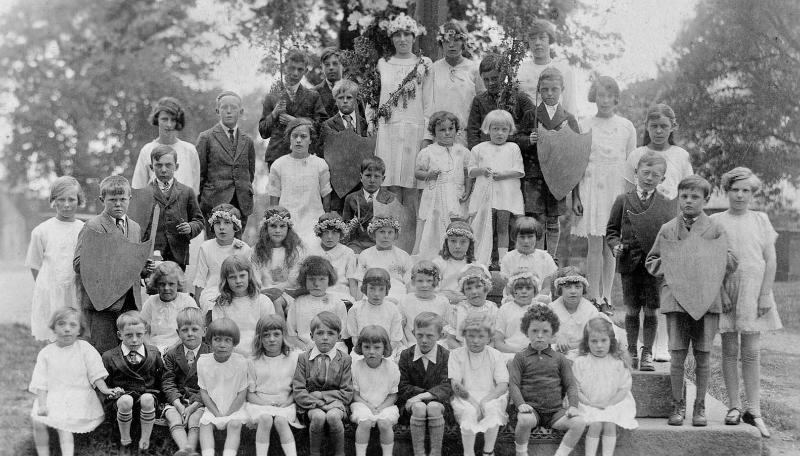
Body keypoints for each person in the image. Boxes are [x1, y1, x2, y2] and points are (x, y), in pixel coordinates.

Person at [646, 175, 738, 427]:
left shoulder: (715, 229)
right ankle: (677, 404)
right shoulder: (668, 228)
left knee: (703, 355)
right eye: (684, 196)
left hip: (707, 299)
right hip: (676, 298)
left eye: (695, 197)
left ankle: (700, 406)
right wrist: (676, 263)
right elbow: (652, 261)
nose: (688, 201)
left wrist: (708, 255)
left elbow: (731, 261)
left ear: (706, 200)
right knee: (677, 355)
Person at [711, 167, 783, 438]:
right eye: (734, 190)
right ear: (726, 191)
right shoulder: (716, 220)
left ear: (753, 194)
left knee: (751, 351)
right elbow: (713, 259)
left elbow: (771, 259)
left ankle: (754, 410)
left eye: (745, 191)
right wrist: (720, 292)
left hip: (755, 289)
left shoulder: (761, 219)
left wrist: (765, 293)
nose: (739, 195)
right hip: (727, 289)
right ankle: (734, 406)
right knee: (729, 349)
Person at [626, 103, 693, 363]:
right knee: (641, 292)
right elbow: (628, 195)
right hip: (640, 231)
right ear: (646, 127)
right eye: (653, 126)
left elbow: (688, 189)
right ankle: (642, 345)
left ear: (673, 127)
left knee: (666, 285)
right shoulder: (637, 154)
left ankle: (662, 344)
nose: (658, 131)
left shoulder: (680, 154)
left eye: (664, 126)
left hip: (670, 226)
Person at [572, 76, 637, 314]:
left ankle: (607, 297)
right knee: (594, 245)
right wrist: (576, 197)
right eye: (601, 95)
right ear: (594, 97)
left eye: (610, 96)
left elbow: (631, 165)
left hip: (616, 187)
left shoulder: (627, 126)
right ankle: (594, 297)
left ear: (616, 98)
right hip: (591, 185)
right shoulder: (584, 123)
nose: (605, 100)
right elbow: (578, 162)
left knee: (611, 245)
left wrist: (630, 198)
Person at [74, 175, 154, 354]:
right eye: (112, 200)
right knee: (105, 351)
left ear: (129, 199)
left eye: (122, 199)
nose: (118, 204)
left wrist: (143, 267)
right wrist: (112, 260)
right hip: (102, 303)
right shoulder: (92, 226)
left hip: (129, 301)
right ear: (103, 200)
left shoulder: (134, 228)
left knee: (129, 350)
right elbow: (79, 263)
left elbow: (132, 265)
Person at [606, 151, 670, 371]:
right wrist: (615, 245)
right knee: (632, 310)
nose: (649, 178)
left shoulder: (665, 204)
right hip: (629, 264)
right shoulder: (623, 200)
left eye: (655, 175)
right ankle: (632, 350)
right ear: (636, 173)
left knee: (652, 310)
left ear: (662, 179)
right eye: (645, 173)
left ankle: (648, 354)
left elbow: (670, 235)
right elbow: (612, 230)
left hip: (654, 267)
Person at [372, 13, 433, 243]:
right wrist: (373, 125)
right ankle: (391, 241)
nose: (402, 39)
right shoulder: (383, 63)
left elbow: (428, 103)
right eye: (397, 34)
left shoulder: (424, 64)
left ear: (414, 36)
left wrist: (426, 138)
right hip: (388, 131)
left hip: (414, 132)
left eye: (407, 34)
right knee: (391, 186)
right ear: (391, 38)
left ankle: (414, 244)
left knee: (413, 189)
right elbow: (375, 101)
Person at [29, 307, 115, 456]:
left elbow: (95, 374)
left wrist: (105, 390)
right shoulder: (47, 353)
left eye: (72, 325)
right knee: (37, 421)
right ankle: (43, 453)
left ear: (79, 330)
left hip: (79, 396)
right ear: (54, 327)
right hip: (54, 396)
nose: (67, 329)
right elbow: (40, 383)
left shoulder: (84, 349)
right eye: (61, 324)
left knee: (63, 423)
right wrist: (42, 405)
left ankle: (67, 453)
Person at [518, 68, 580, 258]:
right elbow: (516, 139)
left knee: (553, 219)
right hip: (534, 176)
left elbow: (577, 153)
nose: (550, 94)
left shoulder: (568, 118)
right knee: (536, 218)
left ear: (562, 89)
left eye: (554, 89)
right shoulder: (531, 115)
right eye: (545, 90)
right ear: (539, 90)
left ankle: (550, 258)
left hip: (556, 177)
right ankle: (535, 257)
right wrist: (529, 139)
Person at [509, 305, 586, 456]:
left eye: (545, 331)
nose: (539, 336)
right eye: (534, 331)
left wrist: (573, 406)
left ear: (553, 333)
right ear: (526, 332)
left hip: (555, 412)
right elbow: (514, 384)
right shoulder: (521, 357)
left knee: (579, 423)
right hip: (531, 410)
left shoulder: (559, 358)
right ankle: (521, 453)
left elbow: (570, 385)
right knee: (524, 420)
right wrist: (521, 404)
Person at [26, 176, 85, 341]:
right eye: (61, 199)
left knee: (74, 337)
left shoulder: (84, 229)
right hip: (50, 292)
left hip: (74, 291)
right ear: (53, 201)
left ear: (79, 200)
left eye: (71, 199)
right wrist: (47, 290)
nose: (67, 204)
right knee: (52, 337)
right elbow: (34, 264)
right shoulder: (42, 230)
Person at [101, 311, 164, 456]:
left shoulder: (153, 353)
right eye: (129, 335)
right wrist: (112, 391)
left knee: (148, 399)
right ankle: (125, 439)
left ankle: (145, 439)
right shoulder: (109, 356)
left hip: (147, 397)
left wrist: (163, 400)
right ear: (119, 335)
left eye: (139, 335)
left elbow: (160, 378)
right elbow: (105, 383)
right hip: (121, 400)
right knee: (126, 400)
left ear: (145, 333)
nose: (134, 340)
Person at [573, 317, 638, 456]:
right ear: (586, 342)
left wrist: (609, 403)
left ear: (611, 341)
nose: (599, 346)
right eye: (594, 341)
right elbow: (576, 389)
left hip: (614, 403)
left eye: (604, 340)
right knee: (595, 424)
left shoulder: (617, 363)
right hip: (588, 403)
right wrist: (590, 403)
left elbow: (623, 389)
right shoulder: (581, 362)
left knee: (609, 423)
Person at [196, 91, 257, 238]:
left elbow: (250, 173)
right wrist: (203, 204)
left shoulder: (247, 141)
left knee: (237, 248)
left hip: (241, 204)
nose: (229, 111)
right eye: (224, 107)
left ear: (240, 112)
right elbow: (199, 175)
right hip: (214, 203)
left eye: (233, 107)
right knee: (215, 248)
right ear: (218, 111)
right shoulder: (206, 137)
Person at [468, 109, 525, 266]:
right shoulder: (479, 149)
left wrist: (503, 175)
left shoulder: (513, 148)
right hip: (485, 194)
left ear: (509, 130)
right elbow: (471, 170)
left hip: (505, 194)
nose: (500, 133)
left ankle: (502, 260)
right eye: (495, 129)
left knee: (502, 227)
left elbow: (519, 171)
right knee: (485, 227)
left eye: (504, 129)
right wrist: (482, 170)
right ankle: (481, 258)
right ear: (488, 129)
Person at [292, 312, 353, 456]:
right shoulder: (303, 359)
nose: (325, 338)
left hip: (337, 405)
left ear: (338, 337)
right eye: (320, 333)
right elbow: (299, 391)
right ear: (312, 336)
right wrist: (321, 404)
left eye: (331, 333)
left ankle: (340, 453)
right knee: (318, 417)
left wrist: (321, 395)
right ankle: (315, 453)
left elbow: (347, 393)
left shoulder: (344, 359)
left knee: (333, 416)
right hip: (310, 406)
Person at [448, 315, 509, 456]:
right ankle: (468, 453)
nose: (475, 341)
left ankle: (488, 451)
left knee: (492, 408)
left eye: (481, 336)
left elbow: (502, 384)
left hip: (490, 394)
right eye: (471, 336)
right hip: (465, 395)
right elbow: (456, 383)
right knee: (469, 411)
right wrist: (474, 403)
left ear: (489, 338)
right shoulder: (456, 354)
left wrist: (485, 400)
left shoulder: (495, 354)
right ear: (464, 335)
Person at [137, 144, 205, 270]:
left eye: (168, 165)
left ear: (176, 166)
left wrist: (190, 227)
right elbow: (139, 227)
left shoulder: (187, 192)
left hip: (178, 254)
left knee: (175, 287)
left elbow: (199, 221)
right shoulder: (144, 194)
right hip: (152, 255)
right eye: (158, 165)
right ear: (151, 167)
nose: (163, 170)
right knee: (154, 287)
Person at [414, 110, 470, 257]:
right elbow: (417, 172)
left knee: (455, 223)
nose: (447, 133)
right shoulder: (428, 152)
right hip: (435, 195)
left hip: (455, 193)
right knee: (434, 222)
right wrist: (428, 175)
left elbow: (467, 173)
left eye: (450, 129)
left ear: (456, 130)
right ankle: (433, 254)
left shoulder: (462, 151)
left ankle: (454, 254)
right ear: (434, 132)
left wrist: (468, 190)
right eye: (442, 130)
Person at [267, 117, 333, 244]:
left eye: (303, 136)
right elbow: (274, 203)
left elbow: (326, 200)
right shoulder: (279, 165)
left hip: (313, 224)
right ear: (289, 138)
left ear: (310, 139)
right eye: (294, 136)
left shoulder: (320, 164)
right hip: (286, 225)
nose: (298, 140)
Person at [259, 48, 328, 167]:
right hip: (276, 156)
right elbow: (263, 132)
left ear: (305, 71)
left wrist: (296, 122)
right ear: (285, 67)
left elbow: (323, 126)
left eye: (300, 69)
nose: (295, 73)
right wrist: (274, 114)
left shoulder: (313, 96)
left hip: (304, 157)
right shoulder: (272, 96)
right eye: (292, 68)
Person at [246, 315, 303, 456]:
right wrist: (265, 404)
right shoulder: (253, 361)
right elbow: (249, 393)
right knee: (265, 418)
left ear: (283, 335)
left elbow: (298, 388)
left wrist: (288, 402)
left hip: (285, 402)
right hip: (260, 404)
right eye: (266, 335)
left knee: (281, 420)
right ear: (259, 338)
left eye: (276, 334)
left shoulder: (293, 358)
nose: (272, 339)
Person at [397, 312, 453, 456]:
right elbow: (403, 386)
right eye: (420, 335)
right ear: (413, 333)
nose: (424, 340)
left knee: (433, 407)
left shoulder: (446, 355)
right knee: (419, 407)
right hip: (412, 405)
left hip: (439, 404)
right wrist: (420, 398)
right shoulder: (405, 355)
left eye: (430, 336)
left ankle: (435, 452)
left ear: (440, 336)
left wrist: (421, 397)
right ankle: (419, 453)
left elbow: (446, 386)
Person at [424, 20, 484, 149]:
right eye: (447, 41)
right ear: (441, 43)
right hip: (439, 134)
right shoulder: (433, 69)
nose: (451, 45)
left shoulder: (474, 69)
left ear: (463, 43)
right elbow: (428, 104)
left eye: (456, 40)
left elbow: (482, 103)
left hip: (466, 134)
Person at [197, 318, 250, 456]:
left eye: (227, 340)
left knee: (235, 424)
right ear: (210, 340)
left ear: (234, 343)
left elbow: (241, 393)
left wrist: (228, 414)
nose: (222, 345)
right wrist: (216, 413)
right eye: (217, 339)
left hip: (235, 407)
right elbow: (204, 392)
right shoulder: (203, 361)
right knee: (205, 425)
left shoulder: (241, 362)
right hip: (213, 407)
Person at [161, 307, 210, 455]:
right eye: (184, 330)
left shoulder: (210, 354)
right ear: (178, 333)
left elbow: (210, 386)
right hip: (178, 399)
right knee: (172, 415)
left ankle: (191, 449)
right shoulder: (171, 355)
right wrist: (178, 404)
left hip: (200, 401)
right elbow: (168, 382)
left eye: (195, 329)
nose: (190, 334)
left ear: (204, 331)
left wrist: (193, 406)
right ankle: (185, 449)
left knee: (196, 418)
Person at [207, 255, 277, 356]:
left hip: (258, 354)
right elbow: (220, 334)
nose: (238, 281)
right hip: (231, 355)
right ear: (226, 279)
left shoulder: (263, 301)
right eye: (232, 277)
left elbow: (269, 331)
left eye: (242, 275)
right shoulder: (221, 305)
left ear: (249, 276)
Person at [132, 96, 201, 194]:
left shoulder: (190, 150)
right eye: (164, 119)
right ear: (157, 120)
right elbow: (138, 189)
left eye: (173, 120)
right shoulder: (147, 150)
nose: (169, 125)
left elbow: (195, 191)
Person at [465, 54, 534, 150]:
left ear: (504, 75)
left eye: (494, 78)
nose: (490, 83)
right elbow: (473, 132)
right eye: (486, 80)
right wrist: (478, 154)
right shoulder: (479, 100)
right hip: (487, 153)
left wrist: (513, 135)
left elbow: (532, 122)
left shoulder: (519, 98)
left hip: (514, 152)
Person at [350, 326, 401, 456]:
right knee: (365, 422)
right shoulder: (356, 367)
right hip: (363, 404)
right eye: (367, 347)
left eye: (377, 347)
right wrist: (369, 407)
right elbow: (355, 395)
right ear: (360, 348)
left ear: (385, 348)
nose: (371, 351)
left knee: (384, 423)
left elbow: (393, 395)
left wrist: (380, 407)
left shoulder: (392, 368)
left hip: (386, 405)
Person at [321, 79, 370, 213]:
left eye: (349, 97)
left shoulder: (365, 124)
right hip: (339, 185)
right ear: (335, 100)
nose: (345, 101)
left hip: (360, 184)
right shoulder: (328, 125)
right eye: (340, 98)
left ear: (355, 100)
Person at [286, 256, 350, 352]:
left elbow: (341, 335)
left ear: (329, 279)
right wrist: (305, 347)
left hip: (332, 347)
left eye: (322, 279)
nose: (316, 283)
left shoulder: (337, 303)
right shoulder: (297, 303)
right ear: (305, 280)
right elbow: (292, 335)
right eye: (311, 279)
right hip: (303, 348)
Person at [193, 205, 251, 311]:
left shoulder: (243, 248)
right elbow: (200, 278)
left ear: (236, 226)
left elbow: (248, 278)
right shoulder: (206, 247)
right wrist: (198, 304)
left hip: (237, 291)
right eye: (217, 223)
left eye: (227, 223)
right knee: (212, 307)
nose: (222, 227)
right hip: (212, 291)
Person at [516, 18, 578, 115]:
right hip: (527, 126)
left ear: (550, 39)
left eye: (542, 37)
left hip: (556, 126)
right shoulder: (520, 70)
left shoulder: (564, 70)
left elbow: (569, 106)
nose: (537, 43)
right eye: (532, 38)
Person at [550, 266, 612, 361]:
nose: (573, 291)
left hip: (582, 353)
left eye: (578, 287)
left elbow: (593, 339)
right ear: (560, 289)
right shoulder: (551, 309)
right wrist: (557, 338)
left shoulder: (590, 311)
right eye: (567, 287)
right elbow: (542, 336)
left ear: (583, 289)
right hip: (555, 353)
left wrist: (570, 346)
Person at [251, 206, 306, 314]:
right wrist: (265, 291)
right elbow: (255, 277)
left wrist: (275, 291)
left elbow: (293, 280)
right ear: (266, 228)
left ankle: (280, 329)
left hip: (287, 293)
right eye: (273, 226)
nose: (277, 230)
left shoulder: (296, 251)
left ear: (288, 228)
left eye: (282, 226)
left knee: (275, 300)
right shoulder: (256, 251)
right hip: (263, 292)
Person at [342, 156, 398, 253]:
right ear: (361, 177)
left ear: (383, 179)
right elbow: (344, 229)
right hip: (358, 243)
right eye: (368, 176)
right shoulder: (351, 198)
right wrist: (351, 225)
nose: (372, 180)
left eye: (377, 176)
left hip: (381, 243)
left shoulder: (391, 198)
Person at [140, 261, 199, 353]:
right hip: (154, 347)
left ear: (178, 284)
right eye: (162, 284)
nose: (166, 288)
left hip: (180, 346)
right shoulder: (151, 302)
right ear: (156, 284)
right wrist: (151, 347)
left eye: (171, 284)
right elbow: (143, 330)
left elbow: (194, 330)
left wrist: (175, 347)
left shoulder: (187, 301)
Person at [348, 268, 404, 357]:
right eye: (372, 289)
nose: (376, 294)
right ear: (365, 288)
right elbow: (354, 338)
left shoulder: (393, 309)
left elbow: (395, 340)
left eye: (381, 289)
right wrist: (366, 352)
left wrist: (381, 354)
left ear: (387, 289)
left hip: (387, 351)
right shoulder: (356, 308)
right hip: (363, 352)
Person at [355, 216, 414, 302]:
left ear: (395, 235)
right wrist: (359, 303)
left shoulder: (403, 255)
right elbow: (361, 282)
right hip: (374, 295)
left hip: (398, 294)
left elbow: (410, 282)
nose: (386, 236)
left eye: (390, 232)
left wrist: (410, 300)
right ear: (374, 233)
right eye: (382, 232)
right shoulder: (365, 255)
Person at [500, 216, 557, 300]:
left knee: (544, 300)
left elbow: (546, 288)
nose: (526, 241)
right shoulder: (508, 258)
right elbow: (509, 289)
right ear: (515, 237)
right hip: (515, 299)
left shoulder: (545, 257)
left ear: (536, 237)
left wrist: (533, 300)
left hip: (537, 299)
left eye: (530, 237)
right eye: (522, 237)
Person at [307, 212, 360, 302]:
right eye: (326, 232)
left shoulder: (347, 253)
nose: (330, 237)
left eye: (334, 232)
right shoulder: (311, 251)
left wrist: (356, 303)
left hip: (341, 295)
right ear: (319, 233)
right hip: (316, 294)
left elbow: (353, 284)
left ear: (341, 233)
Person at [399, 261, 452, 346]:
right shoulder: (406, 300)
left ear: (436, 282)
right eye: (420, 281)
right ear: (413, 281)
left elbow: (447, 329)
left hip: (436, 345)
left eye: (429, 281)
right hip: (411, 345)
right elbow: (399, 328)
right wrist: (405, 346)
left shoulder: (443, 302)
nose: (424, 285)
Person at [445, 265, 498, 349]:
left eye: (478, 287)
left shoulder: (493, 310)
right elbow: (451, 339)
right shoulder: (459, 309)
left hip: (485, 352)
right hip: (460, 350)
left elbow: (493, 341)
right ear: (464, 292)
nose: (473, 292)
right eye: (468, 288)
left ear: (486, 288)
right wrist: (462, 354)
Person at [494, 272, 540, 359]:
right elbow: (498, 341)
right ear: (513, 291)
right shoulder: (505, 309)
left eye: (528, 288)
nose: (524, 291)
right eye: (519, 288)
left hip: (536, 352)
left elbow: (550, 336)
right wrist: (515, 352)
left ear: (534, 290)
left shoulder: (541, 308)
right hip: (510, 353)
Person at [432, 220, 476, 304]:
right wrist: (449, 299)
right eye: (453, 241)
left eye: (463, 242)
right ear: (447, 243)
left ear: (469, 244)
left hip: (465, 302)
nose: (457, 246)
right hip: (443, 301)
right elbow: (433, 290)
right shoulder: (439, 263)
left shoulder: (472, 265)